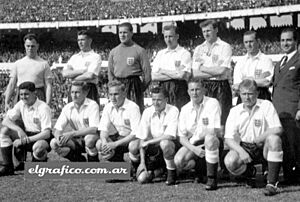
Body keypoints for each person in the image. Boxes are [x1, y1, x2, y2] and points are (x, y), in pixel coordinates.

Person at [224, 79, 283, 196]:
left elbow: (278, 128)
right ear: (239, 94)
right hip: (245, 146)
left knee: (275, 139)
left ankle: (272, 184)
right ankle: (249, 172)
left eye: (250, 94)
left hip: (263, 145)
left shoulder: (266, 105)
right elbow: (228, 138)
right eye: (244, 94)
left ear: (257, 93)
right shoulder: (234, 111)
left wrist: (260, 138)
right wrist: (241, 152)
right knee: (230, 161)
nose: (247, 97)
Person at [192, 19, 232, 179]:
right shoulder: (199, 49)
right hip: (205, 87)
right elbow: (195, 73)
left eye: (209, 30)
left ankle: (223, 166)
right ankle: (204, 167)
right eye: (204, 32)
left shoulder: (225, 47)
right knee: (203, 125)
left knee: (220, 127)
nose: (206, 34)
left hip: (221, 87)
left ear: (216, 30)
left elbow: (223, 71)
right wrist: (211, 71)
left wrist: (204, 68)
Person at [174, 78, 221, 190]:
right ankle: (199, 169)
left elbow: (213, 131)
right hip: (194, 143)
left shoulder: (213, 103)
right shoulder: (184, 109)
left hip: (211, 141)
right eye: (192, 90)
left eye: (197, 89)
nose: (195, 93)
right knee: (178, 161)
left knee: (209, 139)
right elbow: (182, 136)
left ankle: (211, 178)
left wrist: (199, 145)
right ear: (188, 92)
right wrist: (194, 149)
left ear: (204, 90)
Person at [0, 82, 52, 176]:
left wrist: (25, 141)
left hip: (40, 137)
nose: (23, 97)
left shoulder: (43, 107)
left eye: (26, 94)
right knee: (5, 131)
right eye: (21, 94)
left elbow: (47, 133)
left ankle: (40, 159)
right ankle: (7, 166)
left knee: (38, 148)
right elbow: (5, 121)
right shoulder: (21, 104)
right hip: (26, 134)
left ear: (34, 93)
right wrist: (18, 130)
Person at [130, 87, 179, 185]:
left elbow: (169, 136)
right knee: (141, 179)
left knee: (165, 143)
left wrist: (149, 142)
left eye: (159, 100)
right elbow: (142, 139)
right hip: (154, 150)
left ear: (166, 100)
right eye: (154, 99)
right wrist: (142, 162)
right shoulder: (147, 111)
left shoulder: (173, 110)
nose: (156, 103)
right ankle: (156, 170)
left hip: (171, 147)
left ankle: (171, 174)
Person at [272, 28, 300, 184]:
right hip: (279, 110)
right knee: (285, 144)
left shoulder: (299, 59)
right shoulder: (280, 62)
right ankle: (289, 176)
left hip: (293, 109)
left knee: (295, 144)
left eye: (288, 40)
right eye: (282, 40)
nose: (285, 43)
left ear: (295, 42)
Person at [50, 81, 100, 162]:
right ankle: (78, 160)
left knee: (89, 139)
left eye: (77, 92)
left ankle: (93, 162)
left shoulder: (92, 105)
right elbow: (57, 129)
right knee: (54, 142)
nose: (74, 95)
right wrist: (58, 138)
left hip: (91, 137)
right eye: (72, 92)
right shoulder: (67, 107)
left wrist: (72, 133)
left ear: (85, 93)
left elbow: (94, 129)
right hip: (76, 139)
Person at [108, 22, 151, 112]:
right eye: (120, 32)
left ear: (131, 33)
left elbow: (147, 75)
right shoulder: (113, 51)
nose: (122, 35)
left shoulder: (140, 50)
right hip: (118, 84)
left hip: (133, 85)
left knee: (134, 112)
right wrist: (114, 87)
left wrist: (139, 88)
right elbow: (110, 73)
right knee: (117, 113)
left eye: (125, 32)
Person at [96, 80, 141, 164]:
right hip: (118, 137)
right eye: (111, 94)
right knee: (99, 143)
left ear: (124, 94)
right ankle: (119, 163)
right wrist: (105, 142)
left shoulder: (133, 107)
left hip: (131, 139)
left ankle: (136, 167)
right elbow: (103, 129)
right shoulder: (108, 107)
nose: (112, 98)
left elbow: (135, 134)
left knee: (133, 146)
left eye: (116, 94)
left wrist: (115, 144)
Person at [5, 33, 52, 111]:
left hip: (37, 95)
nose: (30, 48)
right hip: (21, 96)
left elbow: (48, 85)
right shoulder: (18, 63)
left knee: (37, 122)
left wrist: (48, 103)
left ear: (37, 46)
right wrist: (6, 102)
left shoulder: (44, 64)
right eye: (28, 46)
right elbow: (11, 84)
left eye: (33, 46)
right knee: (18, 122)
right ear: (24, 46)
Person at [152, 25, 191, 110]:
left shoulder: (184, 53)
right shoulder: (160, 54)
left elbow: (181, 75)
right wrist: (174, 73)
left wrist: (163, 71)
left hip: (179, 90)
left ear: (177, 36)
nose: (168, 39)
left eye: (170, 36)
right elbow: (154, 76)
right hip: (163, 90)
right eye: (166, 37)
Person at [233, 31, 273, 104]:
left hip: (262, 96)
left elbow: (266, 82)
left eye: (251, 41)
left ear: (258, 41)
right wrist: (257, 80)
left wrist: (247, 79)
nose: (249, 45)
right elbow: (236, 85)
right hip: (244, 98)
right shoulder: (240, 62)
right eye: (246, 42)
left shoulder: (266, 60)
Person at [62, 30, 102, 104]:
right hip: (74, 89)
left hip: (88, 89)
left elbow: (90, 75)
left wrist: (73, 78)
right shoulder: (74, 57)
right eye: (78, 40)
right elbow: (65, 73)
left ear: (90, 41)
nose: (80, 42)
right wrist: (82, 71)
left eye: (83, 40)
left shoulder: (95, 57)